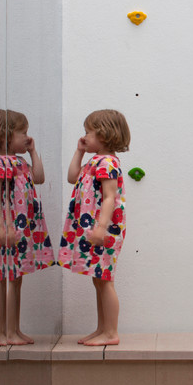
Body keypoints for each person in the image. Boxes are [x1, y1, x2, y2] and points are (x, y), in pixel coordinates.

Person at [0, 109, 54, 345]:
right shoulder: (2, 163)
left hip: (18, 228)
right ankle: (3, 333)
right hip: (8, 228)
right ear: (5, 136)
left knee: (15, 278)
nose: (27, 137)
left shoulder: (18, 162)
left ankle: (13, 329)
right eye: (23, 133)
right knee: (6, 278)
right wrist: (1, 227)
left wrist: (32, 151)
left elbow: (39, 178)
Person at [58, 109, 130, 346]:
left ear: (105, 134)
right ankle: (102, 328)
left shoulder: (107, 162)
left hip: (105, 231)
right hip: (96, 230)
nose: (85, 136)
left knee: (105, 279)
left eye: (89, 132)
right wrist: (79, 151)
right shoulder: (94, 161)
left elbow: (110, 197)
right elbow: (72, 177)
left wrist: (101, 227)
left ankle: (111, 333)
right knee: (98, 279)